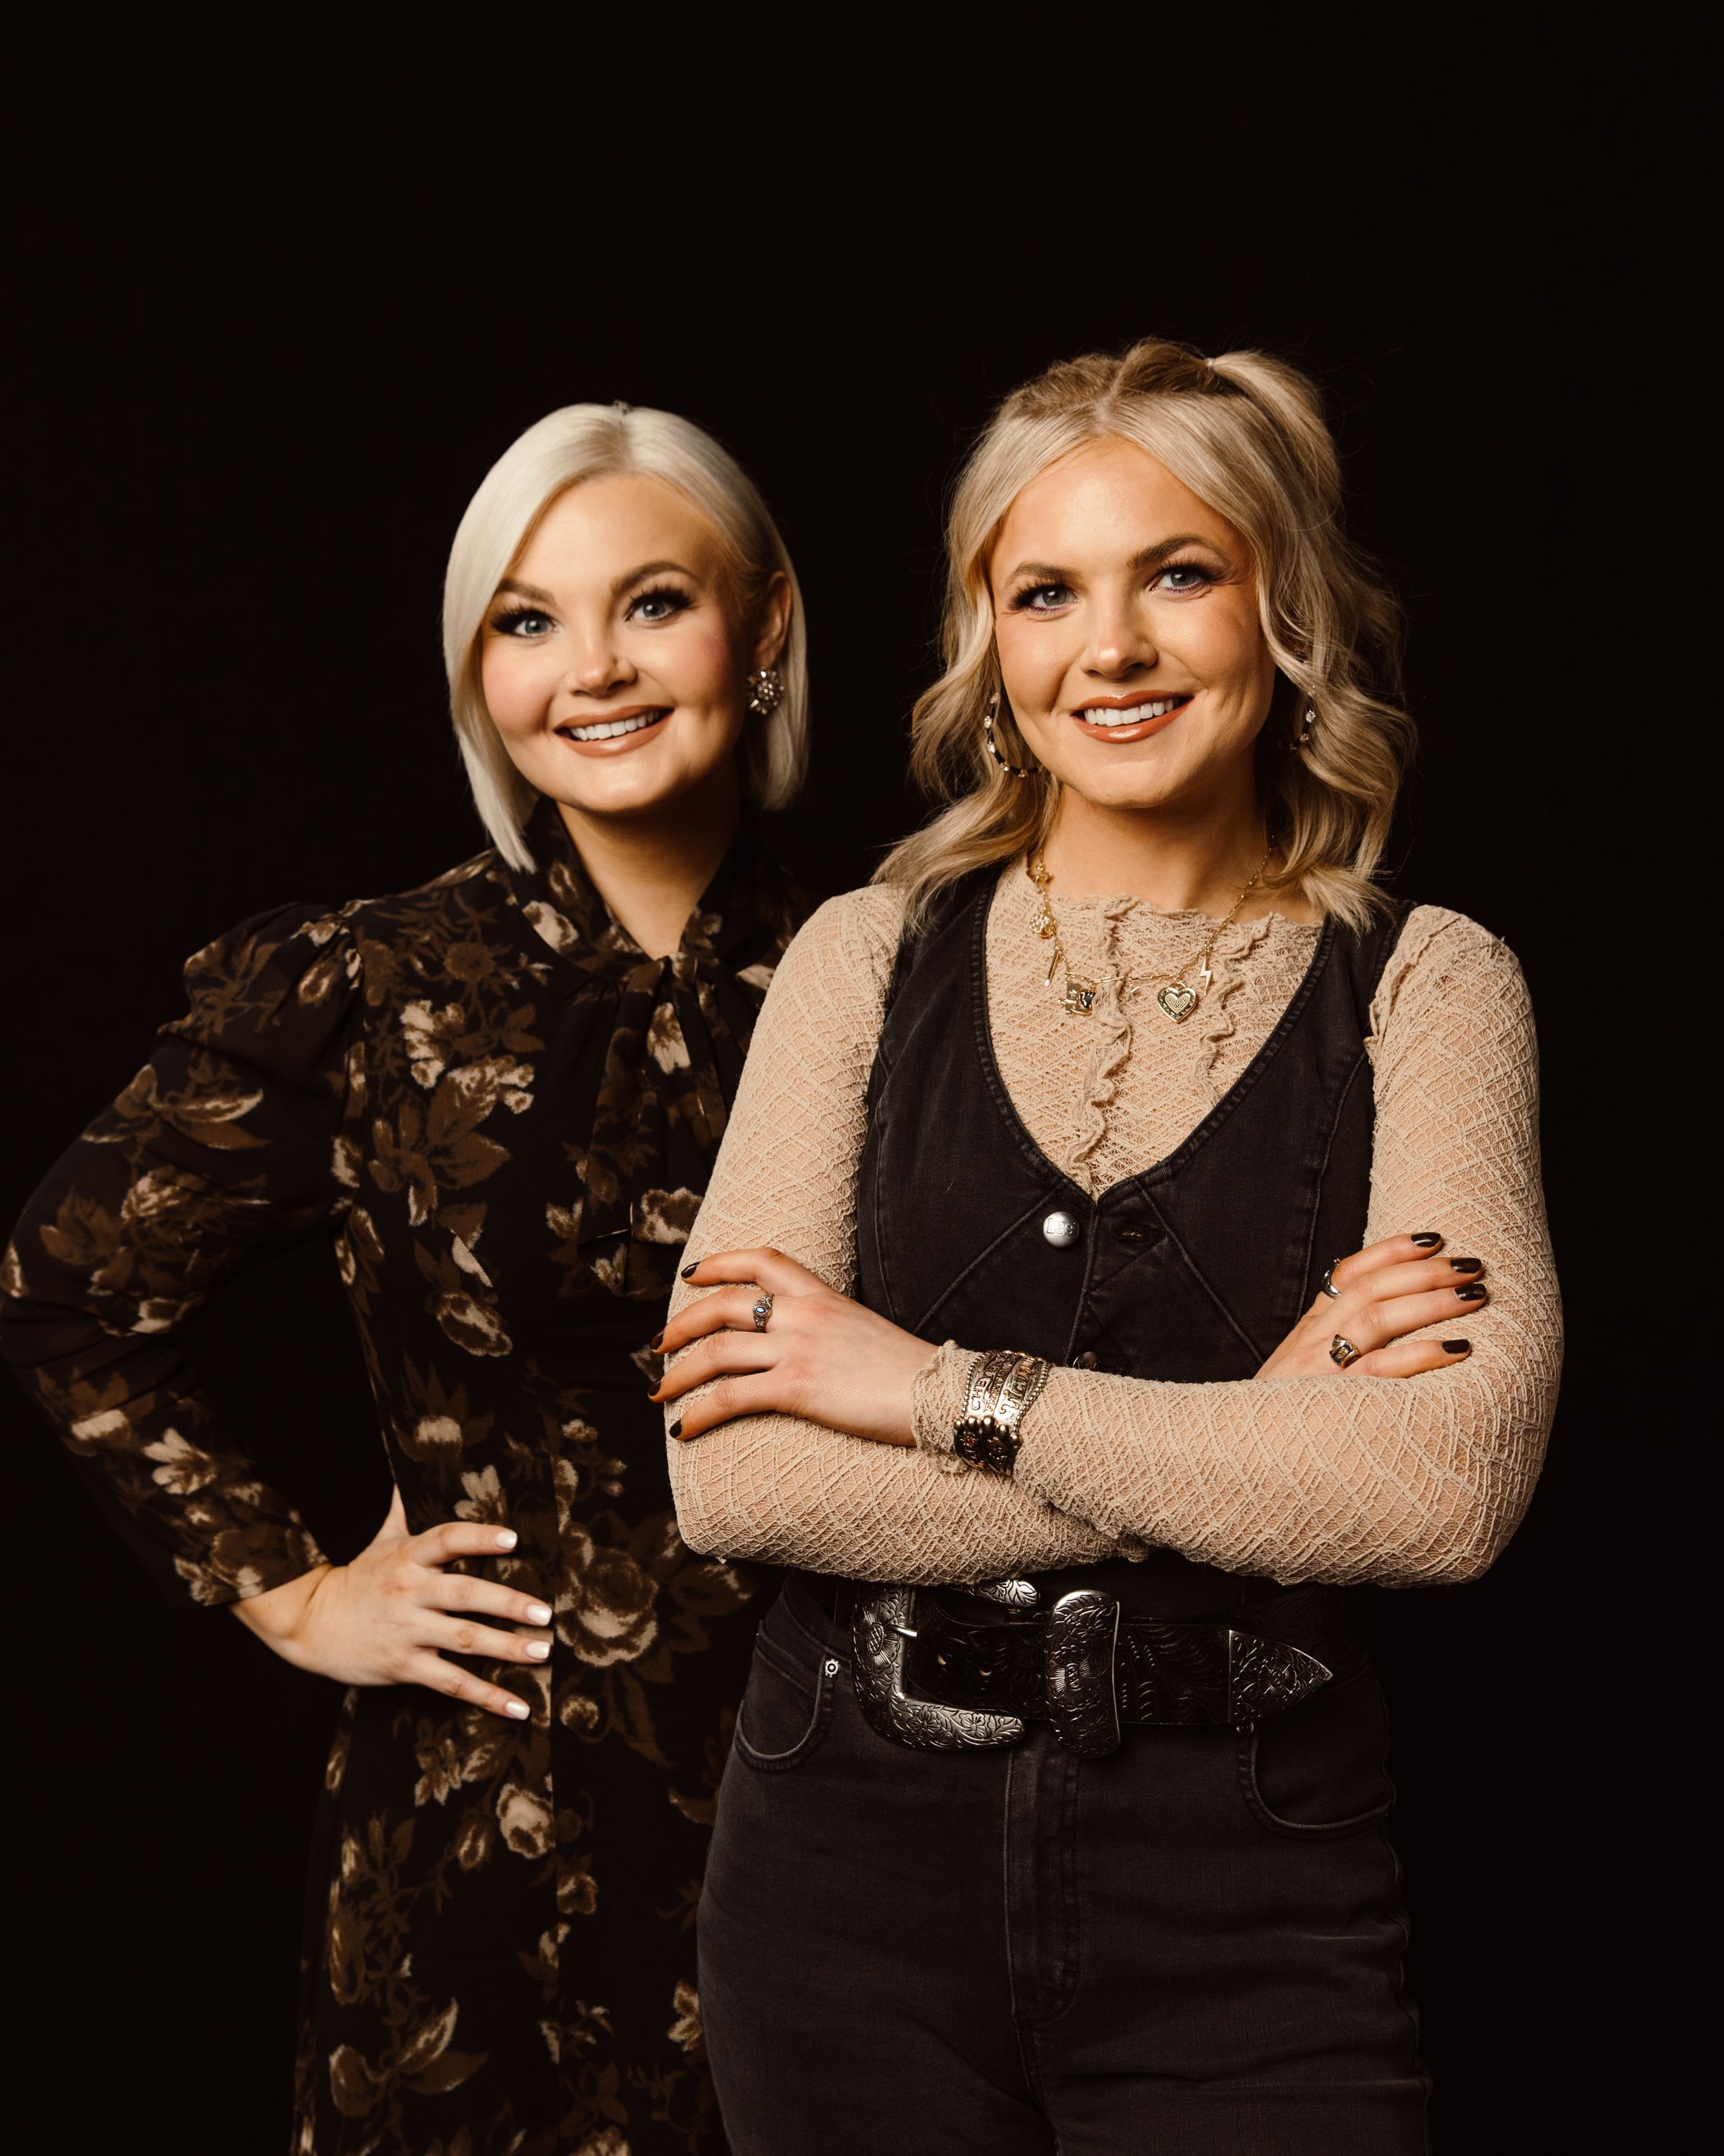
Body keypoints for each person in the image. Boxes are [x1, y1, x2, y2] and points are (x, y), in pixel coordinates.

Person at [652, 339, 1561, 2155]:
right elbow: (734, 1471)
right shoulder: (866, 954)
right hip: (842, 1874)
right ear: (991, 644)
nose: (1112, 648)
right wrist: (1262, 1437)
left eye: (1180, 575)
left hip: (1248, 1881)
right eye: (1046, 590)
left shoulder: (1432, 983)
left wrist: (927, 1390)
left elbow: (1445, 1489)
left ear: (1282, 613)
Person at [1, 401, 814, 2155]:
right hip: (485, 1840)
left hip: (847, 1827)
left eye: (650, 603)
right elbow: (65, 1284)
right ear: (478, 680)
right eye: (525, 622)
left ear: (764, 629)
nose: (590, 668)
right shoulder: (377, 986)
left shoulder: (895, 969)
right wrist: (292, 1591)